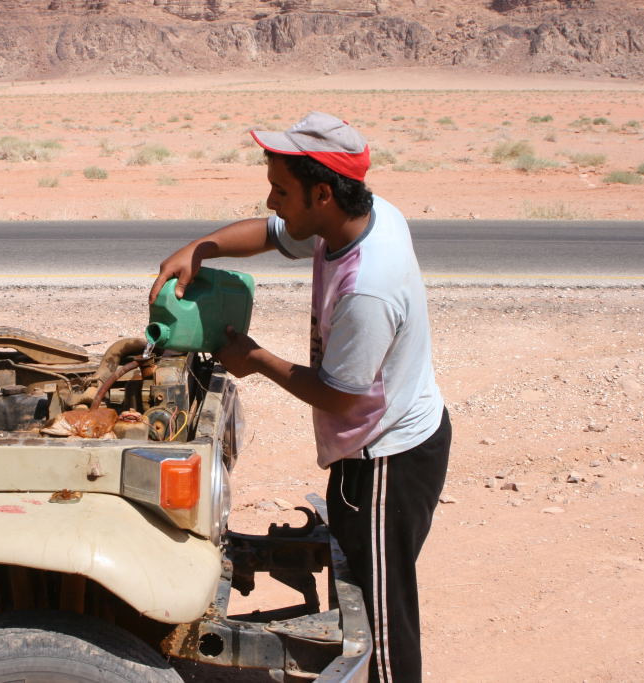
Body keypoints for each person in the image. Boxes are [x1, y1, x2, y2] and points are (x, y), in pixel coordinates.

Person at [149, 111, 451, 683]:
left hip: (389, 461)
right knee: (369, 588)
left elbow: (339, 397)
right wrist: (201, 248)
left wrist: (257, 359)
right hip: (373, 447)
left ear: (322, 194)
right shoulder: (360, 214)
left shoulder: (368, 287)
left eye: (281, 189)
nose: (270, 199)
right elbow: (268, 233)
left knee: (384, 624)